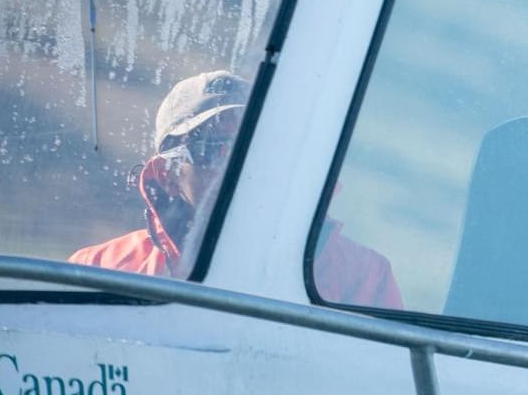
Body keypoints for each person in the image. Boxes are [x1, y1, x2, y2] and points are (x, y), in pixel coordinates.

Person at [70, 70, 402, 309]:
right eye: (213, 148)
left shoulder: (365, 276)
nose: (239, 166)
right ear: (167, 174)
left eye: (250, 147)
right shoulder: (99, 269)